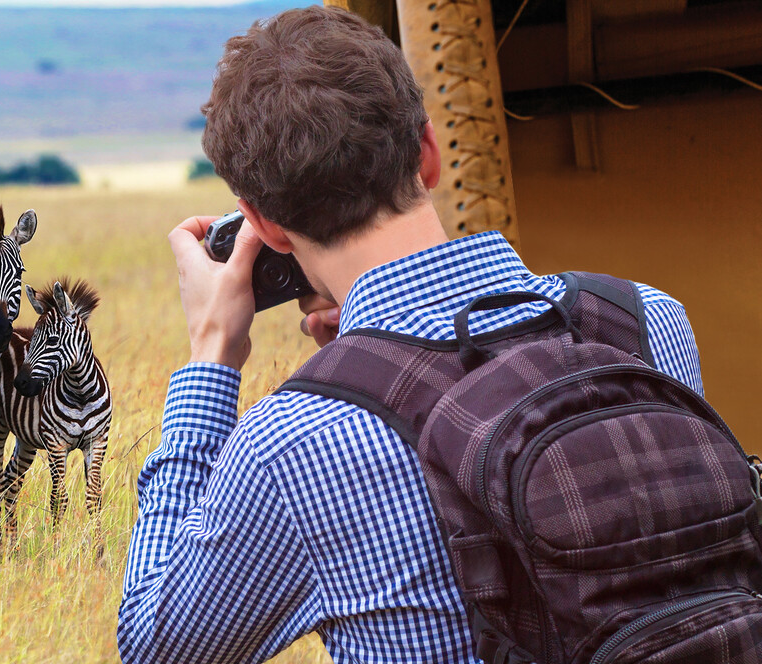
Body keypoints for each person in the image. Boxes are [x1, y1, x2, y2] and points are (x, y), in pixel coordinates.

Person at [117, 6, 702, 663]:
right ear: (426, 152)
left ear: (265, 226)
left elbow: (156, 647)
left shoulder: (292, 445)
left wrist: (209, 359)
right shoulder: (645, 319)